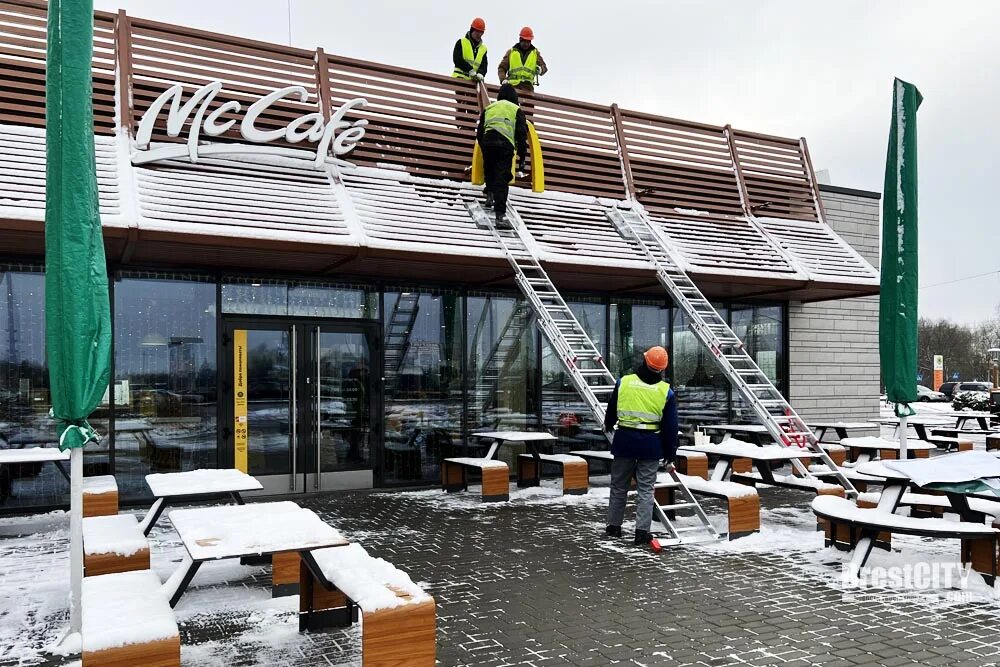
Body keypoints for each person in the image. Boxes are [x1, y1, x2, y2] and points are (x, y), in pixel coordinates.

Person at [604, 346, 679, 547]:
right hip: (650, 446)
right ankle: (641, 532)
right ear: (662, 369)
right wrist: (670, 453)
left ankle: (613, 527)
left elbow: (611, 411)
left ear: (645, 360)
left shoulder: (624, 382)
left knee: (619, 487)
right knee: (646, 490)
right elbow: (670, 427)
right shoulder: (666, 391)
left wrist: (608, 424)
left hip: (624, 442)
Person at [476, 83, 528, 227]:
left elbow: (480, 132)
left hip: (488, 142)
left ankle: (489, 195)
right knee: (502, 177)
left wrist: (484, 147)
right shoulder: (516, 109)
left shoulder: (490, 108)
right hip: (504, 145)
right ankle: (500, 216)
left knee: (490, 170)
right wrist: (522, 158)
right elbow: (521, 135)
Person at [497, 26, 548, 92]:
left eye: (528, 41)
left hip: (528, 89)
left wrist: (540, 69)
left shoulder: (535, 53)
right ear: (520, 40)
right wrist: (503, 80)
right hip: (512, 87)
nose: (526, 44)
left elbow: (544, 67)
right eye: (524, 41)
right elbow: (501, 68)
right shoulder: (511, 52)